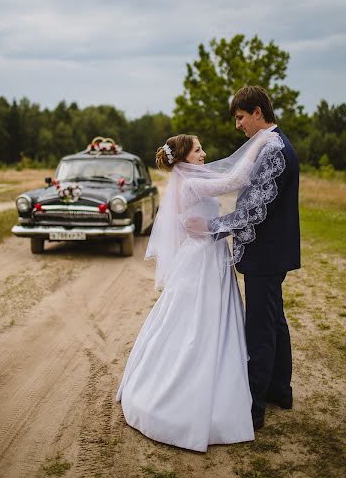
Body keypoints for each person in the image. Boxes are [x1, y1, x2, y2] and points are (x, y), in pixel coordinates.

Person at [116, 129, 282, 452]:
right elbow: (235, 179)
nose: (204, 155)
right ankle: (182, 401)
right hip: (202, 261)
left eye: (202, 149)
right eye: (197, 151)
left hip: (210, 256)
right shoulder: (191, 183)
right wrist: (260, 141)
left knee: (206, 323)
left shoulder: (190, 179)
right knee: (196, 326)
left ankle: (223, 386)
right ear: (183, 160)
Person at [204, 85, 300, 431]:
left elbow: (255, 209)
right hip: (271, 254)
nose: (238, 125)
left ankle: (253, 407)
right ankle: (280, 390)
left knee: (259, 329)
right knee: (275, 321)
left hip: (267, 256)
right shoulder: (273, 144)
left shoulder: (274, 150)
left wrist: (211, 226)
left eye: (241, 117)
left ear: (258, 112)